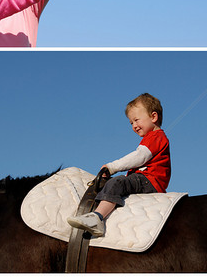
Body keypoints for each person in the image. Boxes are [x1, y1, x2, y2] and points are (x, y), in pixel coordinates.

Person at [68, 94, 171, 238]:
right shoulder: (153, 138)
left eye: (136, 120)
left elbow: (139, 157)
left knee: (117, 182)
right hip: (146, 179)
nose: (134, 126)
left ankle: (97, 217)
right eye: (131, 123)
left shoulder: (156, 137)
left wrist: (112, 167)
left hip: (149, 180)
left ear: (153, 117)